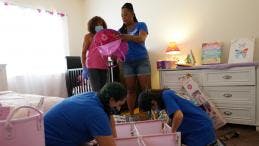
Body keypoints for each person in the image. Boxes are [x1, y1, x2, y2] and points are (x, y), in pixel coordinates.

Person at [44, 82, 127, 146]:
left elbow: (113, 133)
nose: (119, 109)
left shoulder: (94, 96)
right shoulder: (96, 113)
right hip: (47, 141)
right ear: (112, 100)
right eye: (119, 105)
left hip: (47, 132)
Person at [138, 89, 217, 146]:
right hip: (202, 124)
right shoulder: (167, 93)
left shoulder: (166, 96)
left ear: (153, 102)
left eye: (153, 108)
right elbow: (175, 115)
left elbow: (179, 115)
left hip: (201, 131)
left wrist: (172, 133)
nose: (155, 110)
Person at [119, 3, 151, 115]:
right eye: (122, 15)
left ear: (132, 14)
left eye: (126, 14)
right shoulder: (120, 31)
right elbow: (118, 48)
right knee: (130, 90)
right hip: (127, 63)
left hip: (142, 60)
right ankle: (131, 114)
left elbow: (141, 39)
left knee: (145, 90)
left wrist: (127, 37)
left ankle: (146, 113)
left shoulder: (141, 25)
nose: (124, 17)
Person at [82, 16, 108, 92]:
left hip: (104, 66)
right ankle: (97, 103)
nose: (99, 26)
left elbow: (108, 50)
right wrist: (84, 67)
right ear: (92, 25)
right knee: (96, 90)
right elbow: (83, 52)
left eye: (101, 24)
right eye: (97, 24)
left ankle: (102, 104)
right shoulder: (88, 36)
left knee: (104, 90)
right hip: (92, 66)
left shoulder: (105, 36)